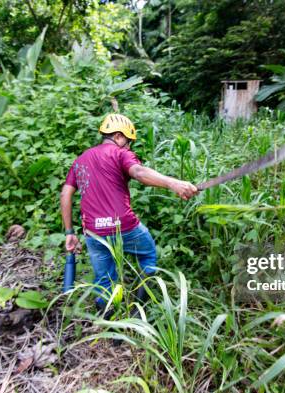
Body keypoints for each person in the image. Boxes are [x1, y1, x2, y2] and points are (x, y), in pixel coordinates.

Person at [60, 113, 198, 317]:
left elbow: (65, 194)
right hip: (124, 226)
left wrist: (69, 232)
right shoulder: (119, 153)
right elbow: (139, 173)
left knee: (104, 278)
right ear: (118, 136)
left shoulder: (80, 160)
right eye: (128, 142)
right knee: (148, 255)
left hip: (93, 232)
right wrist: (173, 183)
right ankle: (137, 310)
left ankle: (109, 321)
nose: (129, 148)